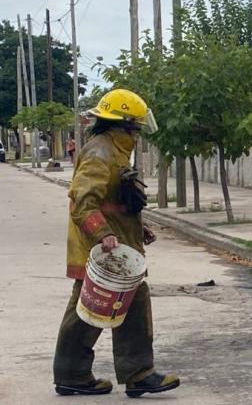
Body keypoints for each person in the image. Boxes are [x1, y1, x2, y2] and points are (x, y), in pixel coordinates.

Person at [52, 88, 180, 398]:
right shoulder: (101, 152)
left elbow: (114, 200)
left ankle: (75, 374)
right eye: (134, 128)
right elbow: (83, 201)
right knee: (103, 307)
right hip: (99, 249)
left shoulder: (114, 149)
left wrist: (140, 227)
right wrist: (103, 235)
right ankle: (136, 374)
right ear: (121, 125)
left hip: (114, 245)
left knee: (93, 308)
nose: (137, 135)